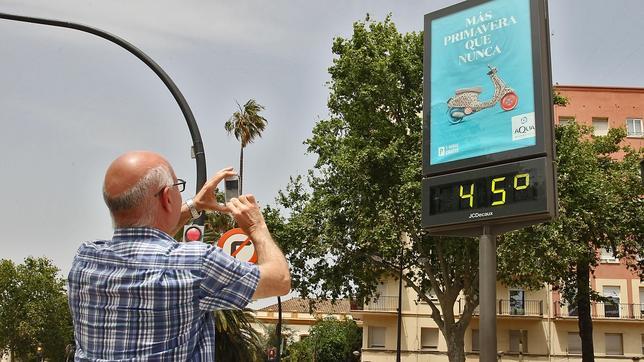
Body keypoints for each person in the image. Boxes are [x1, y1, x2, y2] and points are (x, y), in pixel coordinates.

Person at [67, 151, 290, 361]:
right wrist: (256, 225)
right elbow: (279, 280)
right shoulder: (197, 264)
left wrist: (196, 206)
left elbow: (144, 241)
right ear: (167, 197)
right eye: (177, 186)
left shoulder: (85, 259)